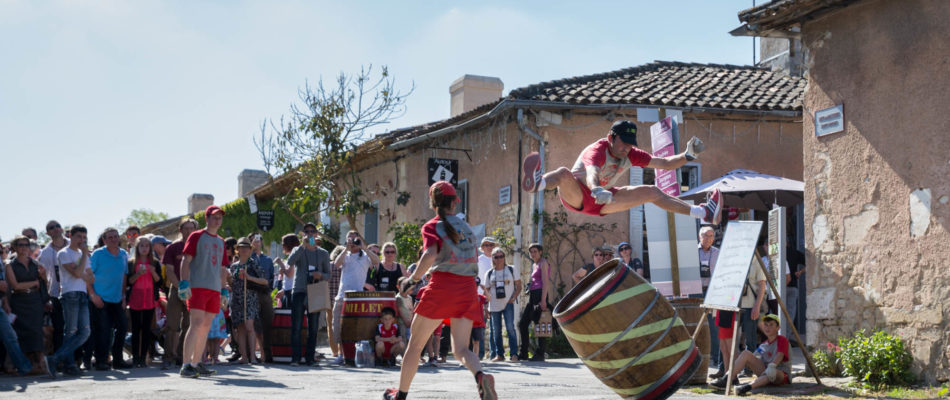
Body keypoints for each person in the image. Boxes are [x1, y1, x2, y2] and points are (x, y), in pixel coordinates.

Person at [382, 181, 495, 400]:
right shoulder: (467, 229)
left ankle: (400, 395)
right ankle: (480, 375)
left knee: (415, 345)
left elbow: (430, 254)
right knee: (461, 350)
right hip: (468, 289)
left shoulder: (433, 226)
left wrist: (413, 279)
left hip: (443, 286)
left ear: (433, 203)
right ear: (454, 203)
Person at [522, 120, 722, 225]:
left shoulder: (632, 153)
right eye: (623, 142)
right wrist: (597, 189)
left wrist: (688, 155)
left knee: (652, 191)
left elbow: (665, 163)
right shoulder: (597, 150)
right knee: (563, 173)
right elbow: (591, 173)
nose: (627, 147)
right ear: (611, 137)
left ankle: (704, 213)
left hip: (605, 200)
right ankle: (537, 184)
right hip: (579, 195)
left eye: (630, 143)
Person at [178, 205, 230, 378]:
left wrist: (223, 290)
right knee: (196, 323)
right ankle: (186, 365)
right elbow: (186, 260)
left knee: (206, 327)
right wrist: (184, 282)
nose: (217, 220)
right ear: (207, 218)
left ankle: (197, 363)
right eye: (214, 217)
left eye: (220, 217)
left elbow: (223, 268)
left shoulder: (221, 241)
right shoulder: (196, 236)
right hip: (197, 286)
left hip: (214, 288)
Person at [44, 225, 94, 378]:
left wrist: (83, 272)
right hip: (69, 294)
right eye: (79, 237)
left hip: (82, 294)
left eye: (84, 238)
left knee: (85, 331)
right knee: (71, 331)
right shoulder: (64, 253)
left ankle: (55, 359)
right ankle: (69, 365)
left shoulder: (82, 254)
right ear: (71, 236)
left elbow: (91, 278)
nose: (82, 240)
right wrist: (84, 257)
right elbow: (79, 273)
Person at [710, 314, 791, 395]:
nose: (767, 327)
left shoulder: (782, 340)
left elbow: (780, 355)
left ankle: (746, 388)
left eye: (771, 325)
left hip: (780, 373)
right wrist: (742, 362)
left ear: (778, 328)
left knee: (771, 373)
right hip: (765, 371)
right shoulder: (764, 344)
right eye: (766, 325)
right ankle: (726, 379)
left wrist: (772, 366)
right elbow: (754, 357)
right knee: (746, 353)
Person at [331, 230, 378, 365]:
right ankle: (341, 354)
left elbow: (376, 261)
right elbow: (336, 264)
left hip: (357, 296)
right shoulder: (345, 255)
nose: (352, 242)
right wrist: (346, 249)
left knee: (355, 326)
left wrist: (364, 248)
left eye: (354, 239)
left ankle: (355, 354)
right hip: (342, 295)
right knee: (338, 325)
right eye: (349, 239)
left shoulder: (365, 256)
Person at [287, 223, 331, 366]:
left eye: (313, 231)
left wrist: (320, 275)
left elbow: (328, 275)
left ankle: (310, 358)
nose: (310, 234)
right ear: (303, 234)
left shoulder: (323, 253)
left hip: (316, 290)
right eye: (307, 231)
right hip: (299, 290)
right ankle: (295, 358)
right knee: (297, 326)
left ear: (317, 234)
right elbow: (290, 261)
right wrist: (302, 246)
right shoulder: (298, 249)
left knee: (313, 327)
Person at [88, 228, 131, 370]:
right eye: (109, 237)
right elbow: (88, 275)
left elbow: (124, 276)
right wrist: (93, 295)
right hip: (100, 299)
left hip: (117, 299)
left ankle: (118, 360)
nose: (113, 239)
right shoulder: (98, 254)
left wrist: (124, 296)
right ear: (104, 240)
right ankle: (101, 361)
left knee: (123, 327)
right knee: (103, 331)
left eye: (115, 236)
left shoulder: (124, 254)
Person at [5, 235, 49, 374]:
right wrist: (34, 282)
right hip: (19, 301)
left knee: (37, 331)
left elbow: (44, 284)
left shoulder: (35, 263)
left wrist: (43, 277)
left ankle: (41, 363)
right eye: (20, 245)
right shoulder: (10, 265)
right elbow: (15, 286)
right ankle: (25, 365)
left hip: (35, 300)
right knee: (22, 333)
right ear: (15, 247)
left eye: (26, 244)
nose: (24, 247)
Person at [161, 218, 197, 370]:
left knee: (189, 325)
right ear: (180, 230)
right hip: (177, 289)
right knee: (172, 324)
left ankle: (182, 356)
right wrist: (181, 288)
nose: (189, 231)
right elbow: (169, 270)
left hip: (195, 290)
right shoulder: (173, 248)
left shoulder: (199, 247)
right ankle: (168, 356)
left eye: (192, 228)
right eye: (186, 228)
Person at [229, 237, 266, 364]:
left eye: (246, 247)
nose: (243, 250)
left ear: (250, 250)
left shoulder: (252, 263)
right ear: (237, 250)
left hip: (250, 299)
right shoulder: (234, 266)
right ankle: (244, 356)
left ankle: (253, 357)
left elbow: (264, 280)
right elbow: (232, 283)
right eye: (241, 247)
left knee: (250, 327)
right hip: (237, 299)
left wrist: (249, 277)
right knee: (240, 328)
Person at [127, 236, 161, 368]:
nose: (144, 248)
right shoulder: (131, 263)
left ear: (150, 248)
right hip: (136, 298)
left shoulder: (155, 263)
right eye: (142, 246)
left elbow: (159, 282)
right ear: (137, 248)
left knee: (147, 329)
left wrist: (152, 272)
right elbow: (129, 281)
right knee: (136, 329)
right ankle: (136, 358)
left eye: (147, 246)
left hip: (149, 298)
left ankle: (144, 357)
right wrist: (138, 274)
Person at [697, 226, 725, 379]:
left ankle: (715, 356)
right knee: (697, 323)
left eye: (710, 235)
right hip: (696, 289)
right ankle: (699, 356)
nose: (707, 238)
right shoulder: (692, 252)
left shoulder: (718, 253)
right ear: (699, 237)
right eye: (704, 235)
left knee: (714, 324)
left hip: (712, 290)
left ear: (714, 238)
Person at [484, 247, 521, 362]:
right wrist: (486, 307)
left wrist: (513, 297)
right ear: (493, 259)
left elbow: (519, 286)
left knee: (510, 328)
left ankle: (514, 354)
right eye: (496, 257)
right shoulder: (489, 273)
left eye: (501, 256)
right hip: (494, 305)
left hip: (508, 303)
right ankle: (499, 355)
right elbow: (487, 291)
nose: (499, 259)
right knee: (496, 330)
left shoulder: (511, 269)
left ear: (504, 257)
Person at [517, 243, 552, 362]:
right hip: (532, 296)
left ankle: (540, 353)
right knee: (523, 324)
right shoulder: (535, 264)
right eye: (531, 252)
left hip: (540, 295)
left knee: (540, 323)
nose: (533, 254)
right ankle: (524, 353)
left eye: (535, 251)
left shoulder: (543, 263)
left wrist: (543, 300)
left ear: (540, 252)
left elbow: (545, 282)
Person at [38, 220, 68, 355]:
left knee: (78, 328)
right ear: (47, 233)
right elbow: (43, 278)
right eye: (51, 227)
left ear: (62, 229)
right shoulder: (44, 253)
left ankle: (78, 359)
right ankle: (59, 359)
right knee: (59, 328)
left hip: (76, 291)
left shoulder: (74, 245)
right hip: (55, 295)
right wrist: (46, 298)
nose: (55, 229)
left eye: (57, 226)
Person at [248, 233, 275, 363]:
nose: (256, 242)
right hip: (252, 293)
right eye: (253, 240)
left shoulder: (268, 260)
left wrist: (268, 288)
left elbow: (272, 278)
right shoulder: (248, 258)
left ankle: (268, 353)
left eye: (258, 240)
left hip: (265, 294)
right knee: (255, 324)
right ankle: (259, 353)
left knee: (268, 323)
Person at [475, 237, 495, 359]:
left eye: (491, 244)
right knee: (481, 325)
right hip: (481, 297)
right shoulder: (479, 260)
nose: (489, 247)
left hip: (495, 297)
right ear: (482, 248)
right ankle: (480, 354)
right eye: (486, 245)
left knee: (494, 326)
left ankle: (494, 353)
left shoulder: (497, 259)